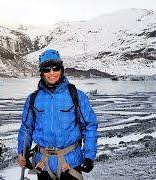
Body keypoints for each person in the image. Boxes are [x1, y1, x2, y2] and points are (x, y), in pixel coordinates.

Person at [17, 49, 98, 180]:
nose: (52, 73)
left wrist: (89, 156)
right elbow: (26, 128)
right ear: (41, 73)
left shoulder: (76, 96)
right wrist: (22, 153)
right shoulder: (33, 99)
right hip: (43, 165)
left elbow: (89, 126)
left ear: (62, 69)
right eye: (47, 69)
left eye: (56, 68)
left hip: (71, 164)